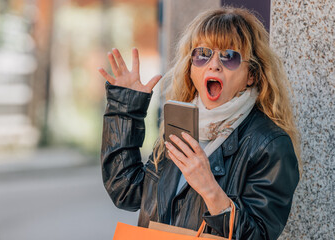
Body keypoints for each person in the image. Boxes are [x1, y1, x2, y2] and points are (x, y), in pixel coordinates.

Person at [98, 7, 300, 240]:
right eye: (203, 54)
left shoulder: (270, 145)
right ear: (192, 68)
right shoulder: (180, 125)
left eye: (229, 56)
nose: (213, 64)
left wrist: (210, 190)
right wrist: (126, 109)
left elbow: (260, 235)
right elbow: (127, 192)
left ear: (251, 75)